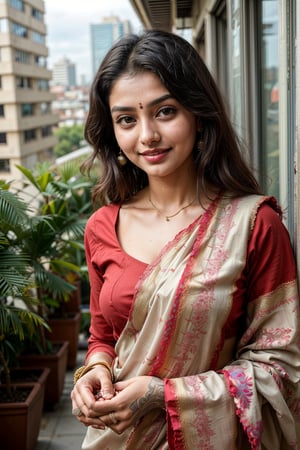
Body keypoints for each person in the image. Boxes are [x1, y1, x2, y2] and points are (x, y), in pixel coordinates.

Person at [70, 29, 300, 449]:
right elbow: (104, 335)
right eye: (126, 119)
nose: (147, 136)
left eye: (165, 111)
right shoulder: (102, 226)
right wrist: (94, 371)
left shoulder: (254, 224)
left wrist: (162, 396)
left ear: (198, 112)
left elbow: (282, 367)